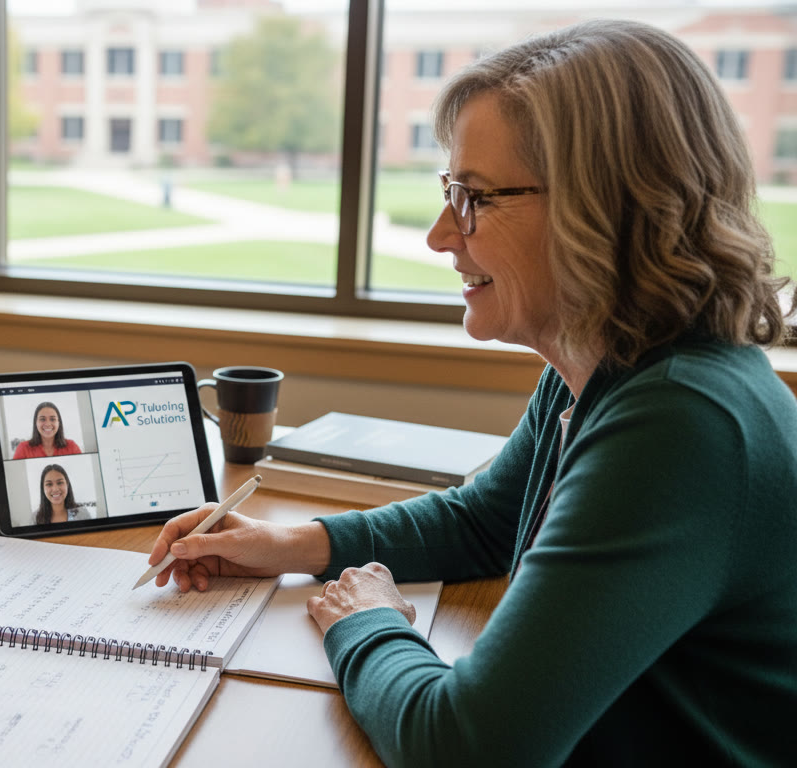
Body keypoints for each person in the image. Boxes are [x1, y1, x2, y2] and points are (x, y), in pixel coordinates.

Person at [147, 19, 797, 766]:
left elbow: (466, 749)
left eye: (474, 197)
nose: (438, 235)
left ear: (607, 206)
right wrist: (289, 546)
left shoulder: (682, 423)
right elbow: (489, 520)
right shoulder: (612, 361)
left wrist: (370, 620)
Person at [11, 401, 82, 459]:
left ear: (58, 422)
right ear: (36, 423)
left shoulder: (71, 446)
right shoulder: (23, 448)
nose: (48, 424)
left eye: (52, 419)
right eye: (42, 419)